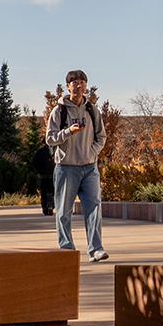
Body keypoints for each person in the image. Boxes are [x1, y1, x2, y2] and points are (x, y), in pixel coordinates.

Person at [46, 70, 108, 262]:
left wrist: (92, 152)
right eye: (75, 83)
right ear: (68, 87)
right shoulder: (59, 111)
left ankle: (95, 249)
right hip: (66, 167)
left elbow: (102, 137)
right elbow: (49, 139)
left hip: (89, 167)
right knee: (64, 211)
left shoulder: (92, 110)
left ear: (86, 86)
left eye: (82, 82)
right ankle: (67, 250)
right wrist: (68, 132)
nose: (79, 86)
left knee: (94, 209)